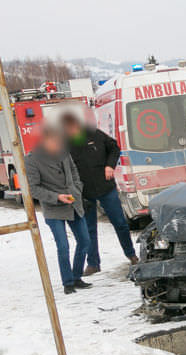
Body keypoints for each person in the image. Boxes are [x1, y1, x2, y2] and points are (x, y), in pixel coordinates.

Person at [61, 113, 137, 276]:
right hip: (85, 193)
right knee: (89, 229)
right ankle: (93, 263)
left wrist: (110, 165)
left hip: (105, 188)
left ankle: (131, 254)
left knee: (120, 223)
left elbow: (114, 148)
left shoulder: (94, 134)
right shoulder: (66, 145)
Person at [26, 124, 92, 295]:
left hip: (74, 202)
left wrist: (77, 189)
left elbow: (74, 172)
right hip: (54, 209)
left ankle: (77, 276)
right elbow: (33, 188)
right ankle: (68, 282)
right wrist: (56, 197)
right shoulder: (32, 159)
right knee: (63, 246)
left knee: (85, 241)